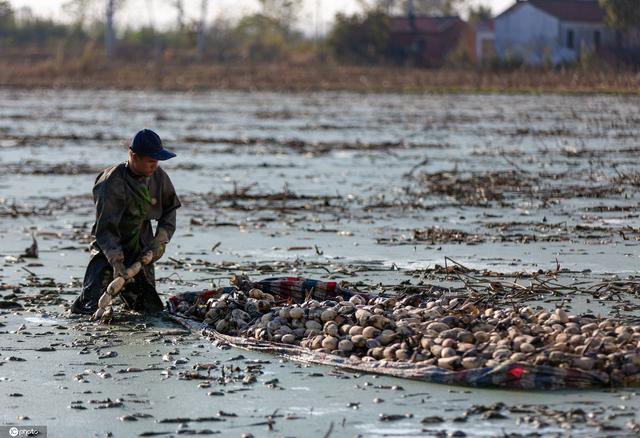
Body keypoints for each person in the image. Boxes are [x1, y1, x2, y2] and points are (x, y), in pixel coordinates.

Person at [70, 129, 181, 314]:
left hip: (142, 249)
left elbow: (170, 211)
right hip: (109, 250)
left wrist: (159, 243)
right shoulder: (111, 182)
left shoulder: (158, 177)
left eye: (157, 161)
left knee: (149, 309)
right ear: (134, 156)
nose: (155, 166)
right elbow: (105, 228)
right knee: (89, 307)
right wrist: (116, 262)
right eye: (150, 161)